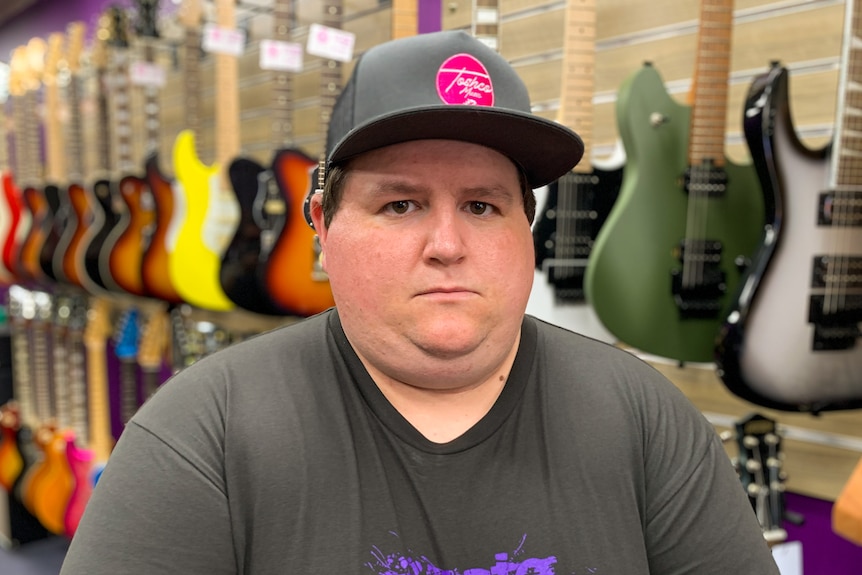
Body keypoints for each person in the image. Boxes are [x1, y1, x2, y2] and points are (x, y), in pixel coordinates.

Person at [60, 30, 780, 574]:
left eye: (482, 205)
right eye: (401, 203)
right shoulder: (199, 437)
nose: (446, 243)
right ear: (320, 224)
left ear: (525, 229)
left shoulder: (644, 419)